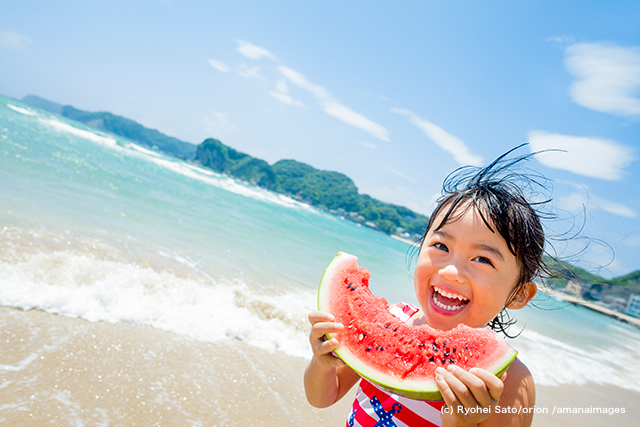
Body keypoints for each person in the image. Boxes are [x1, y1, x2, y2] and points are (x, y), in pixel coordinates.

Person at [304, 148, 548, 427]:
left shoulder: (510, 381)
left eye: (483, 259)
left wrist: (462, 423)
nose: (451, 271)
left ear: (519, 294)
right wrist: (321, 364)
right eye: (441, 246)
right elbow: (321, 398)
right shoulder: (394, 319)